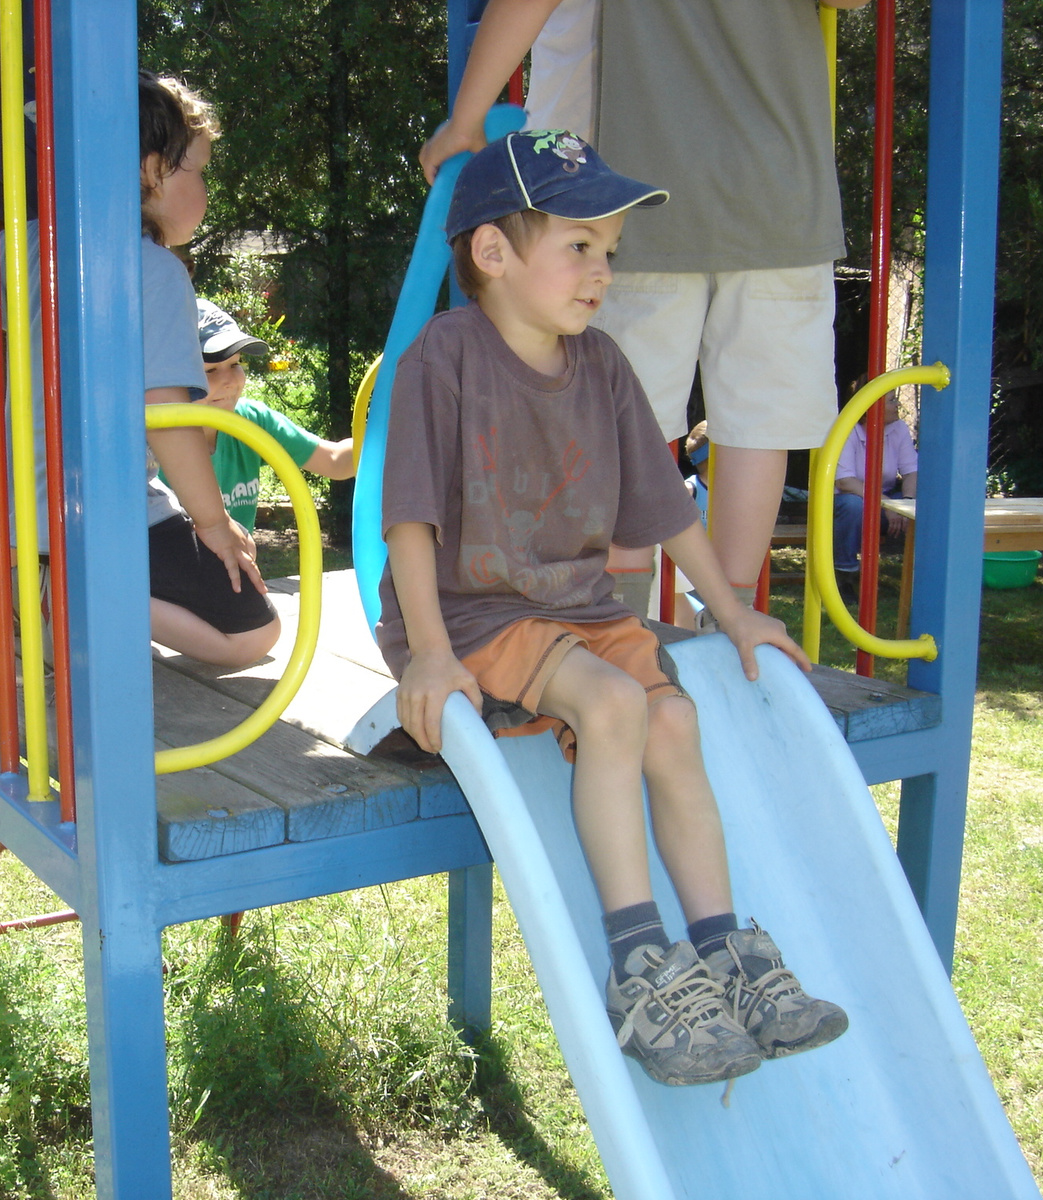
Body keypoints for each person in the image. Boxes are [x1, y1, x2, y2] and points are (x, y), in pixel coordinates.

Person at [379, 131, 846, 1085]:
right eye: (580, 246)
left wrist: (733, 611)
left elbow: (668, 512)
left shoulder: (602, 365)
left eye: (610, 253)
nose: (602, 272)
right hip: (474, 613)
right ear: (493, 252)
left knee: (674, 721)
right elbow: (412, 521)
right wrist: (427, 652)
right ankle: (639, 963)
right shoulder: (446, 359)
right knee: (615, 704)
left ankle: (719, 948)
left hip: (579, 608)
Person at [420, 0, 870, 621]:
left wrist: (466, 118)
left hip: (636, 183)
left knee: (616, 422)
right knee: (758, 426)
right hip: (779, 187)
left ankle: (622, 617)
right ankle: (729, 620)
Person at [138, 73, 281, 668]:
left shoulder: (37, 251)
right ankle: (68, 601)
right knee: (256, 634)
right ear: (153, 171)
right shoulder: (154, 272)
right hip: (105, 512)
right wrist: (214, 524)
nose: (205, 189)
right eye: (197, 171)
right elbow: (167, 417)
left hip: (24, 509)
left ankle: (45, 589)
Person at [184, 298, 355, 532]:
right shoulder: (156, 439)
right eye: (210, 370)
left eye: (235, 364)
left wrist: (398, 436)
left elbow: (335, 461)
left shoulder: (251, 422)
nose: (230, 381)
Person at [834, 389, 918, 601]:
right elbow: (845, 482)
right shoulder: (847, 429)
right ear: (872, 407)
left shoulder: (898, 428)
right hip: (849, 503)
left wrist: (906, 504)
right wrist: (888, 506)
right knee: (853, 505)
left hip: (884, 502)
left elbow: (912, 472)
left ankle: (919, 574)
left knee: (925, 502)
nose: (898, 404)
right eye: (892, 400)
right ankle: (844, 576)